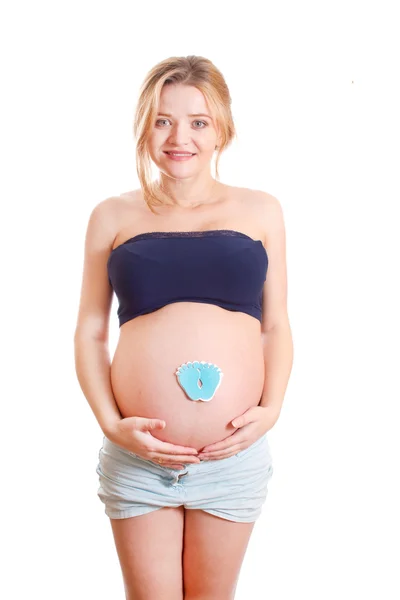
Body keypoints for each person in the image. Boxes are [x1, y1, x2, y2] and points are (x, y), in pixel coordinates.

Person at [74, 55, 293, 600]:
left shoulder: (261, 211)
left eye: (198, 121)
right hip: (139, 454)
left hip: (232, 455)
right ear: (144, 126)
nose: (180, 137)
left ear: (223, 130)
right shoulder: (111, 216)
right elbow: (90, 333)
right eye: (162, 119)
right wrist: (110, 423)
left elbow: (276, 325)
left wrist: (271, 411)